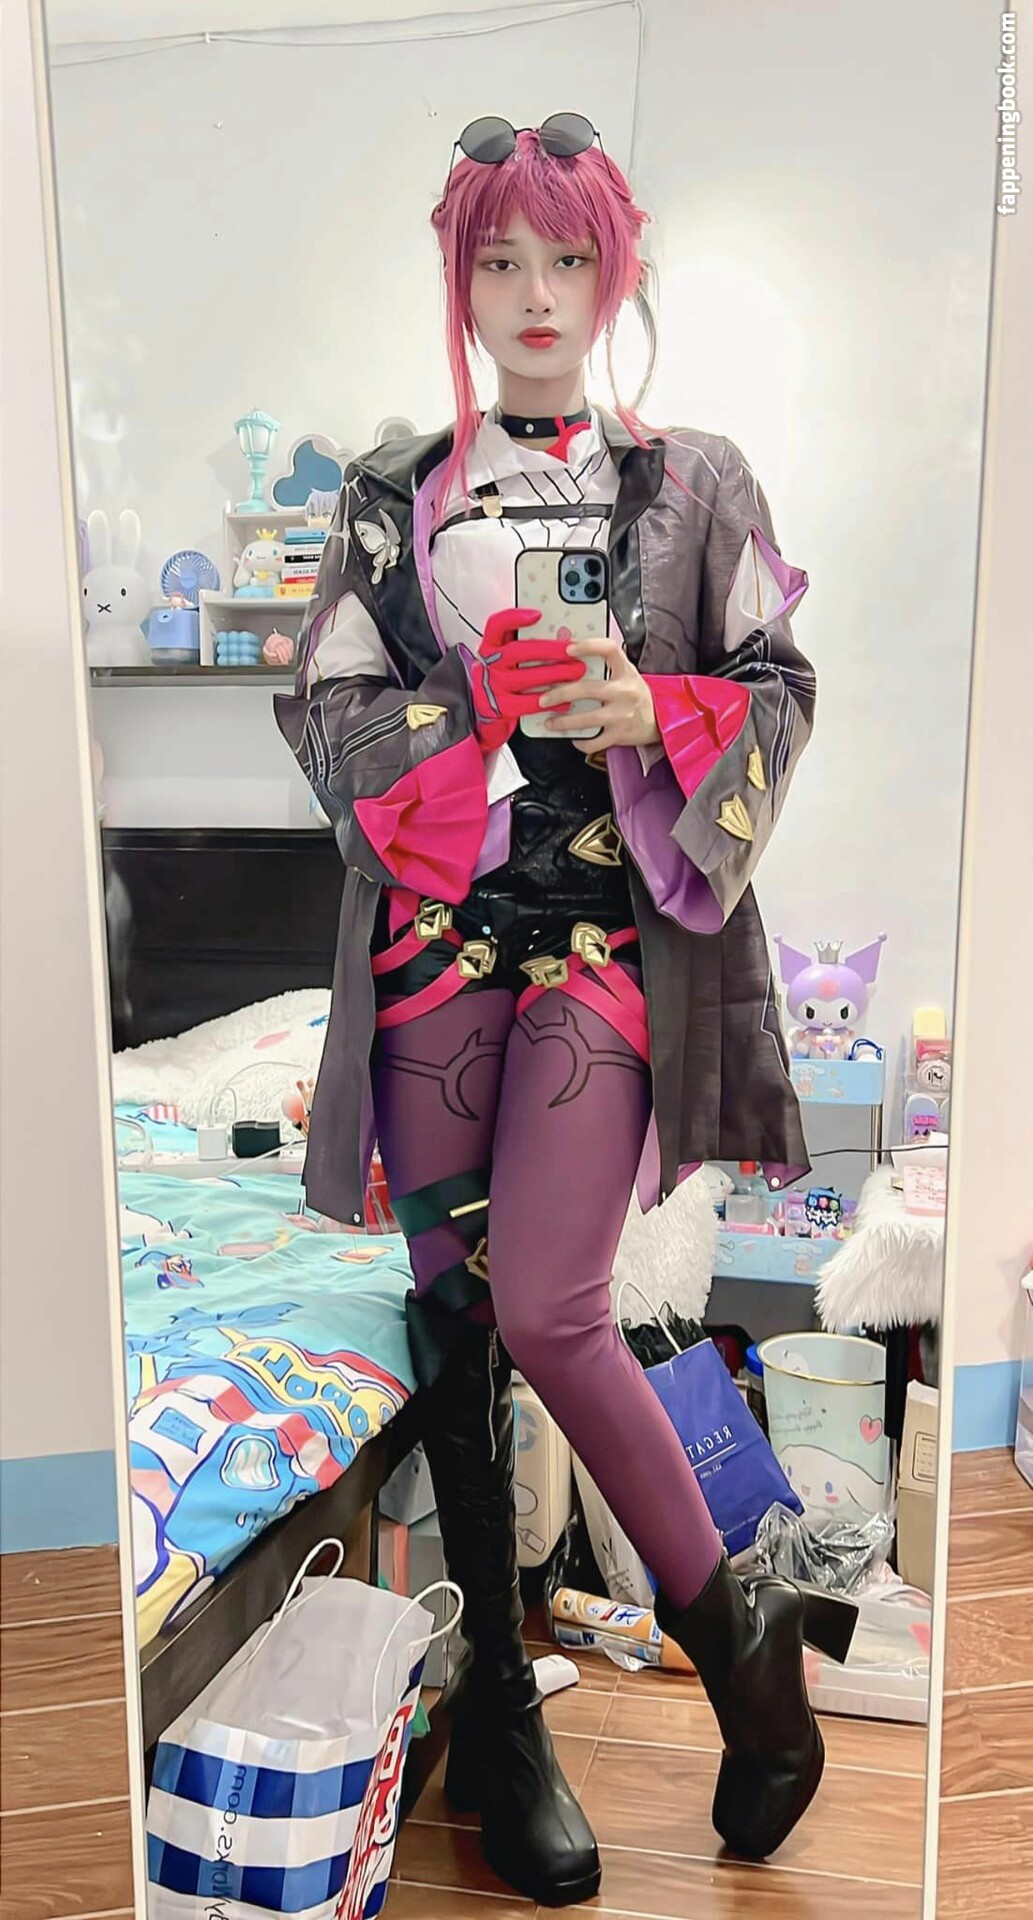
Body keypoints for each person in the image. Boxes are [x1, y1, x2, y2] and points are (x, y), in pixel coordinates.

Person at [276, 113, 855, 1910]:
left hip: (603, 957)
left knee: (551, 1303)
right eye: (499, 262)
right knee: (455, 1319)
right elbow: (324, 715)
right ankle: (502, 1722)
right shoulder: (392, 492)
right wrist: (470, 710)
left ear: (617, 273)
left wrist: (654, 709)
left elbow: (778, 687)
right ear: (458, 282)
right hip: (429, 963)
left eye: (569, 259)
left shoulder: (695, 482)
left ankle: (740, 1645)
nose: (536, 295)